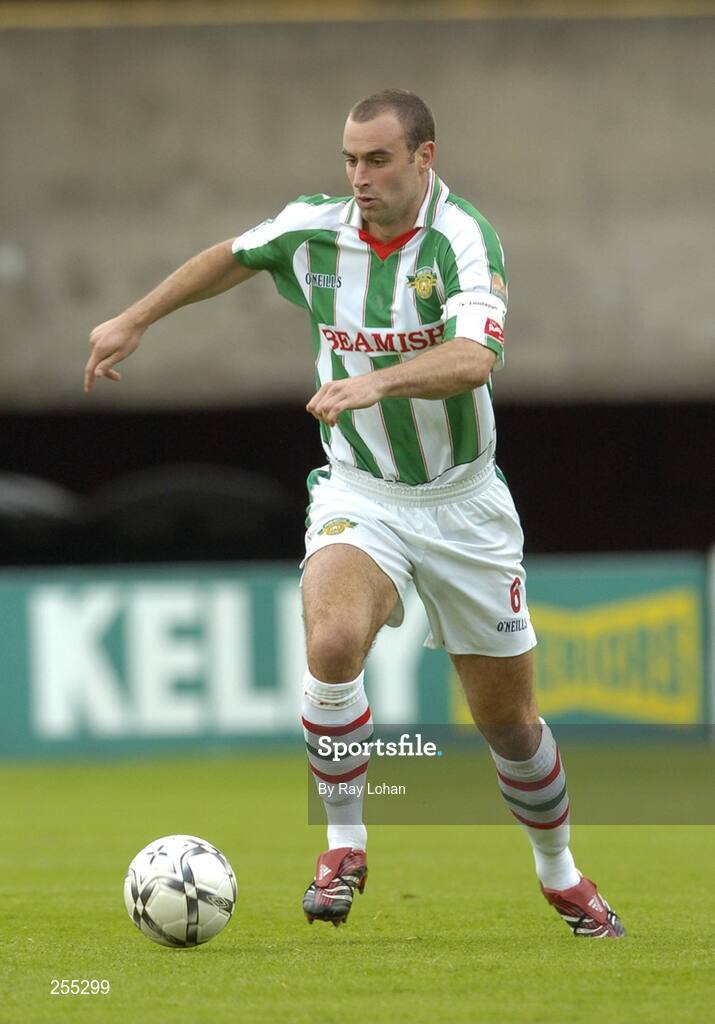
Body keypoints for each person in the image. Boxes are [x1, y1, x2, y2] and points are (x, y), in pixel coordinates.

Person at [85, 88, 625, 939]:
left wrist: (375, 378)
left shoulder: (460, 240)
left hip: (463, 504)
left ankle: (560, 876)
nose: (358, 177)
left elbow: (475, 358)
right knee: (332, 643)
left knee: (510, 726)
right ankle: (342, 845)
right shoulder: (317, 229)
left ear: (423, 158)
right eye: (348, 159)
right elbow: (233, 253)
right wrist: (134, 319)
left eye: (376, 160)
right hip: (359, 491)